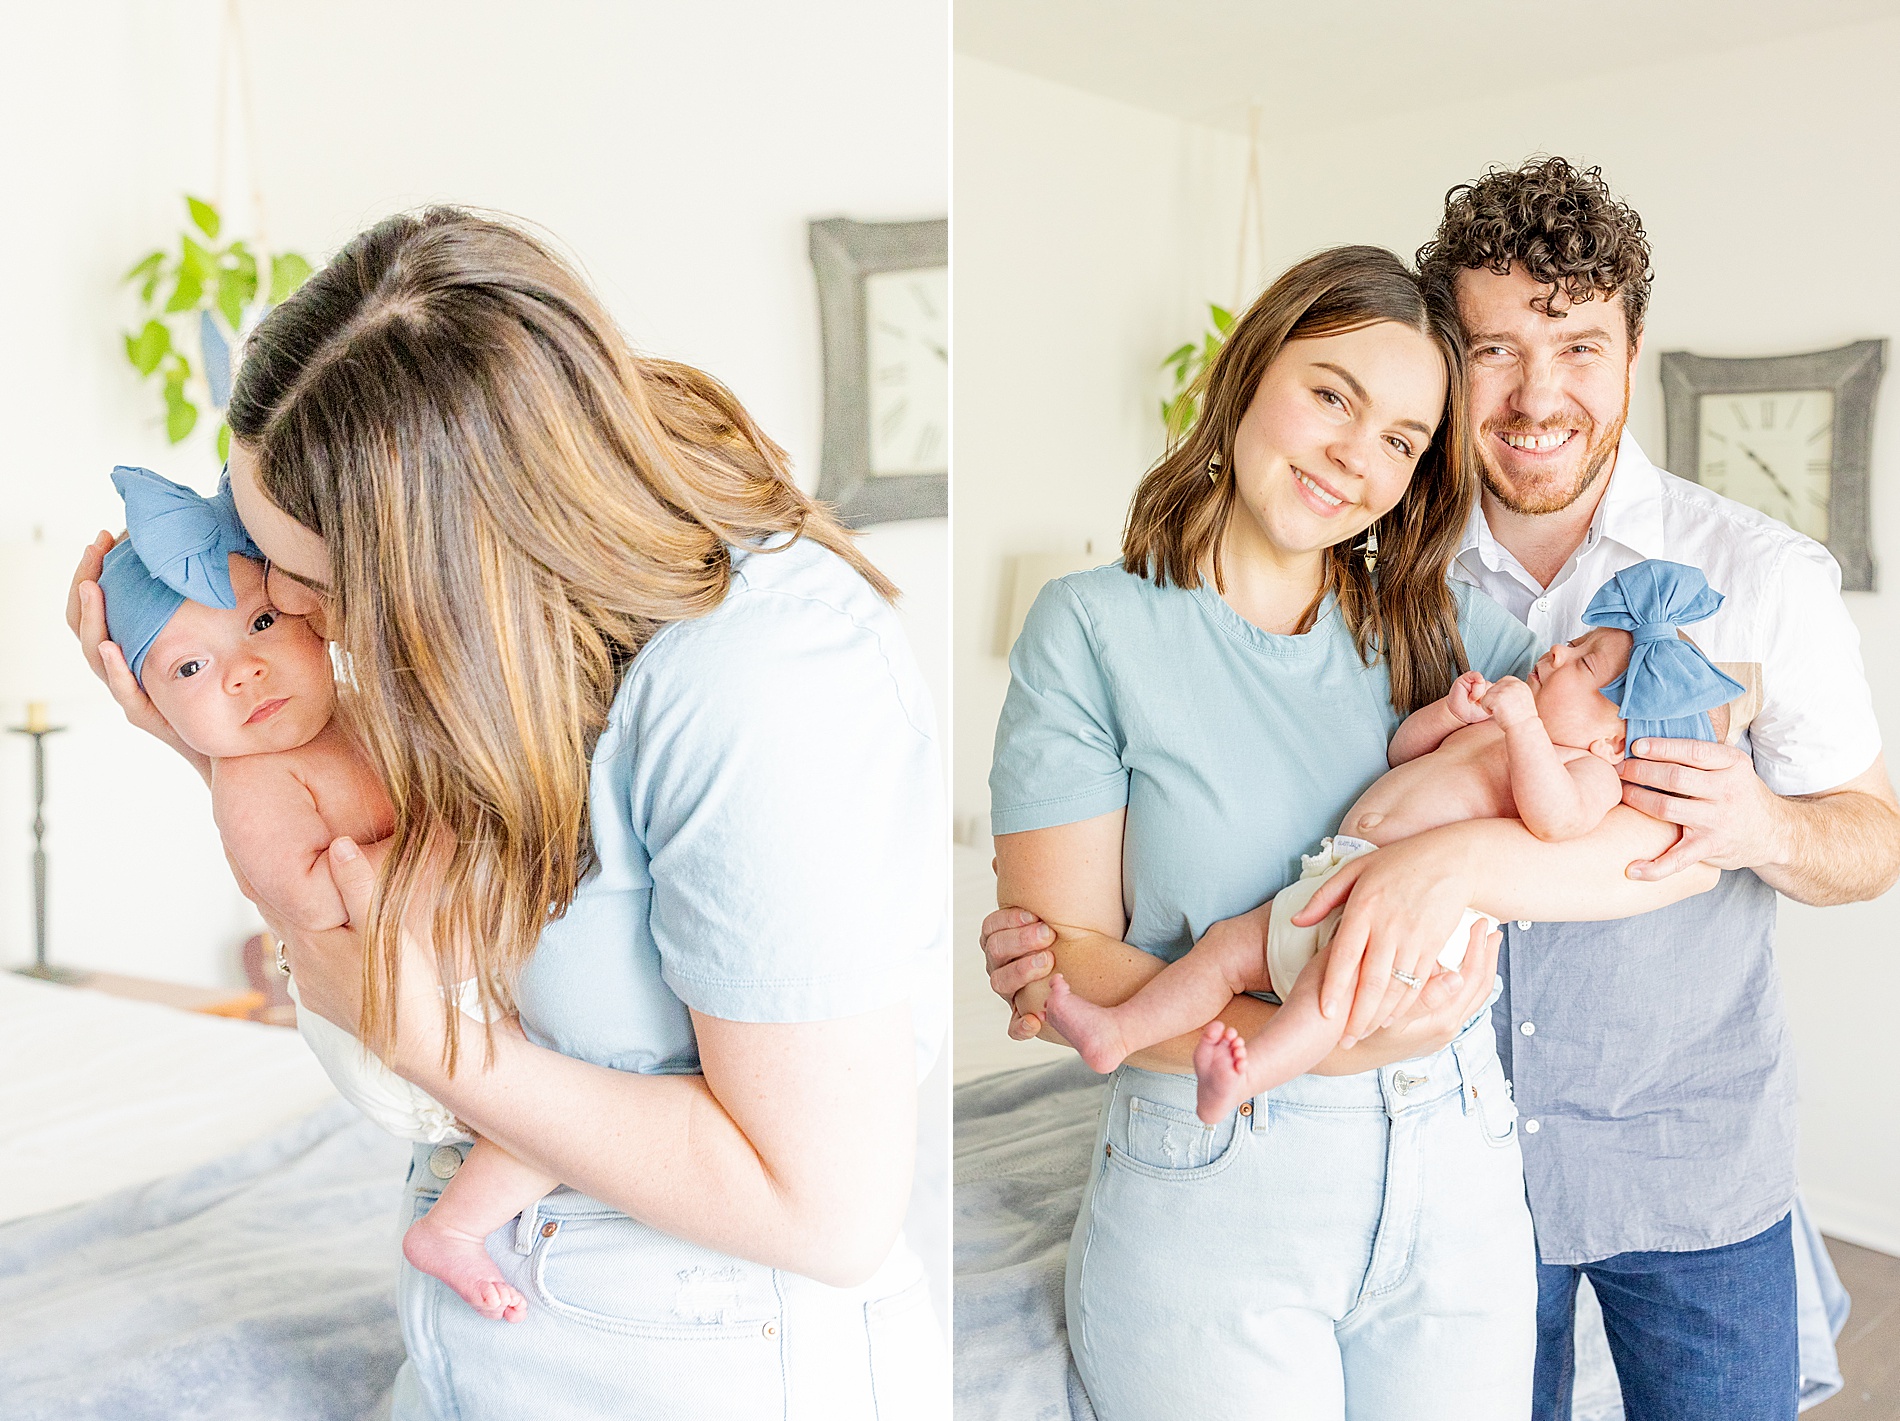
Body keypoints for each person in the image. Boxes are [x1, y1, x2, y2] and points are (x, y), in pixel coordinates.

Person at [71, 207, 946, 1420]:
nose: (283, 609)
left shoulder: (762, 686)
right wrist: (210, 738)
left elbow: (827, 1210)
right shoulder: (522, 633)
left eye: (309, 588)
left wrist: (415, 1030)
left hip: (694, 1359)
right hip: (495, 1333)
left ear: (450, 555)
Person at [983, 244, 1716, 1420]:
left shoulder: (1445, 630)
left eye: (1401, 439)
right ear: (1246, 371)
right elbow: (1061, 958)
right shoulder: (1093, 629)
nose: (1353, 458)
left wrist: (1453, 861)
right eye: (1332, 394)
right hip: (1215, 1180)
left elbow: (1657, 844)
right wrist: (1333, 1044)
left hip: (1458, 1169)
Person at [1411, 156, 1900, 1420]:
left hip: (1691, 1165)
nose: (1536, 396)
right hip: (1436, 1169)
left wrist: (1762, 823)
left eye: (1576, 345)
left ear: (1631, 350)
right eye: (1495, 350)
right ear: (1446, 361)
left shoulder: (1764, 574)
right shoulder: (1382, 580)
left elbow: (1872, 837)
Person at [1043, 557, 1745, 1124]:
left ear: (1613, 735)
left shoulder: (1584, 768)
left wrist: (1526, 727)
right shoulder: (1499, 722)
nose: (1559, 651)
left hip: (1409, 918)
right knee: (1226, 948)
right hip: (1334, 877)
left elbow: (1555, 821)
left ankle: (1248, 1073)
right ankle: (1119, 1031)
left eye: (1585, 664)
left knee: (1328, 996)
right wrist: (1450, 712)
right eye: (1573, 644)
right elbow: (1404, 754)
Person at [98, 464, 557, 1325]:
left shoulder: (354, 705)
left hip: (447, 974)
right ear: (154, 705)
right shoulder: (255, 783)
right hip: (398, 1033)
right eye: (191, 666)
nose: (245, 673)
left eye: (262, 622)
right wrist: (442, 838)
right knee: (560, 1095)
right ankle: (453, 1229)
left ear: (312, 622)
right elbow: (317, 904)